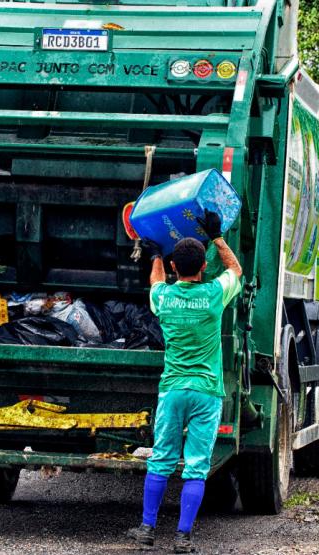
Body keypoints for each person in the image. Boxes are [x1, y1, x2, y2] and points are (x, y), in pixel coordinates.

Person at [126, 210, 242, 553]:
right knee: (196, 465)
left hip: (174, 390)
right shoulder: (213, 297)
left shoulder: (164, 299)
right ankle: (183, 536)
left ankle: (147, 529)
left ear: (176, 268)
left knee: (161, 458)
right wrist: (217, 236)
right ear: (203, 267)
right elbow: (235, 270)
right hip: (206, 392)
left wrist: (157, 252)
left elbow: (155, 282)